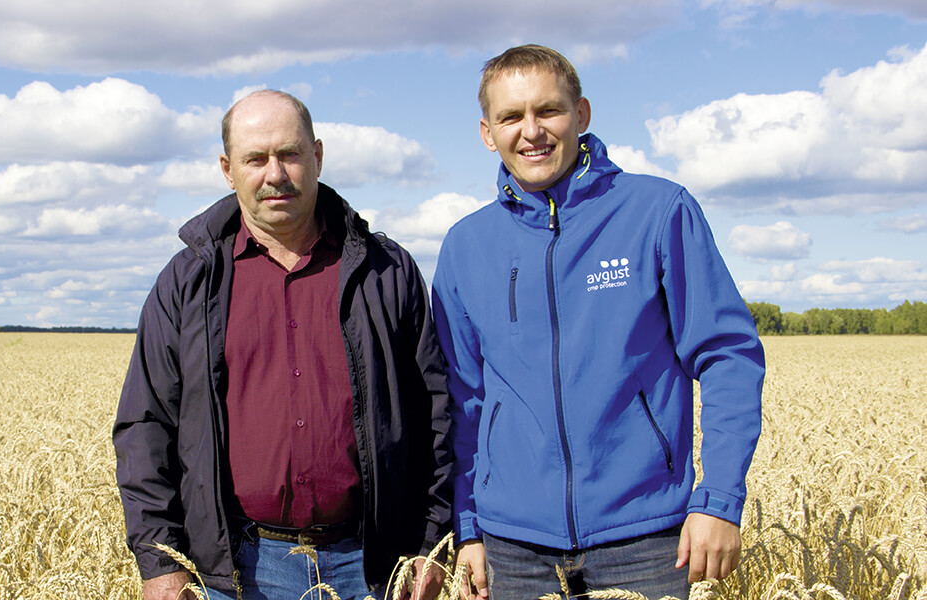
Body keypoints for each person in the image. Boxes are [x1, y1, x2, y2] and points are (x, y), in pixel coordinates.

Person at [431, 45, 765, 600]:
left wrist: (721, 499)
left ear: (581, 115)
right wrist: (467, 529)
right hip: (513, 549)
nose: (532, 131)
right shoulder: (467, 245)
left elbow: (728, 354)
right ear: (488, 133)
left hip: (647, 542)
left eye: (549, 111)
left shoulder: (658, 211)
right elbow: (463, 400)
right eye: (512, 117)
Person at [114, 90, 451, 600]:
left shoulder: (386, 270)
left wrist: (432, 543)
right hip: (238, 569)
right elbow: (145, 425)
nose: (275, 173)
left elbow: (437, 412)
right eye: (255, 158)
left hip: (374, 567)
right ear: (228, 169)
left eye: (290, 154)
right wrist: (161, 561)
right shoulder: (189, 282)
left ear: (318, 155)